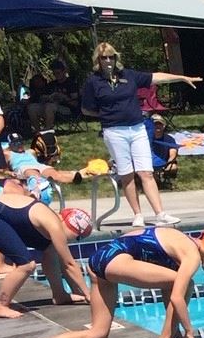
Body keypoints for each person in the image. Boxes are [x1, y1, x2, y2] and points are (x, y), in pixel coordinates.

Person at [16, 227, 204, 338]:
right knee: (184, 284)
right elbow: (176, 297)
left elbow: (168, 291)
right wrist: (189, 331)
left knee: (98, 333)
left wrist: (177, 331)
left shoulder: (180, 239)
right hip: (116, 260)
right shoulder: (191, 255)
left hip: (99, 260)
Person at [81, 44, 196, 227]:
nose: (108, 61)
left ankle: (160, 214)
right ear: (98, 60)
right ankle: (138, 215)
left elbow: (156, 77)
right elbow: (86, 109)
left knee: (146, 172)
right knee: (127, 174)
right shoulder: (93, 82)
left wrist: (181, 77)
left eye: (111, 57)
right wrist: (107, 114)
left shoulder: (128, 75)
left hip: (137, 129)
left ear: (116, 58)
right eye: (104, 58)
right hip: (114, 132)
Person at [0, 169, 98, 319]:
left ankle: (59, 294)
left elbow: (54, 260)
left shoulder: (54, 220)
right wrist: (89, 295)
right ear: (71, 226)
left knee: (50, 250)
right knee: (26, 265)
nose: (74, 241)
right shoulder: (55, 226)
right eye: (78, 237)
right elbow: (69, 264)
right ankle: (0, 306)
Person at [148, 114, 179, 184]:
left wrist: (169, 163)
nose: (157, 126)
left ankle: (165, 177)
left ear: (163, 126)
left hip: (165, 163)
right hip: (149, 164)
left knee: (173, 167)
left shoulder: (169, 139)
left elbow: (173, 153)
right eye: (155, 124)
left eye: (160, 124)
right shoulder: (145, 139)